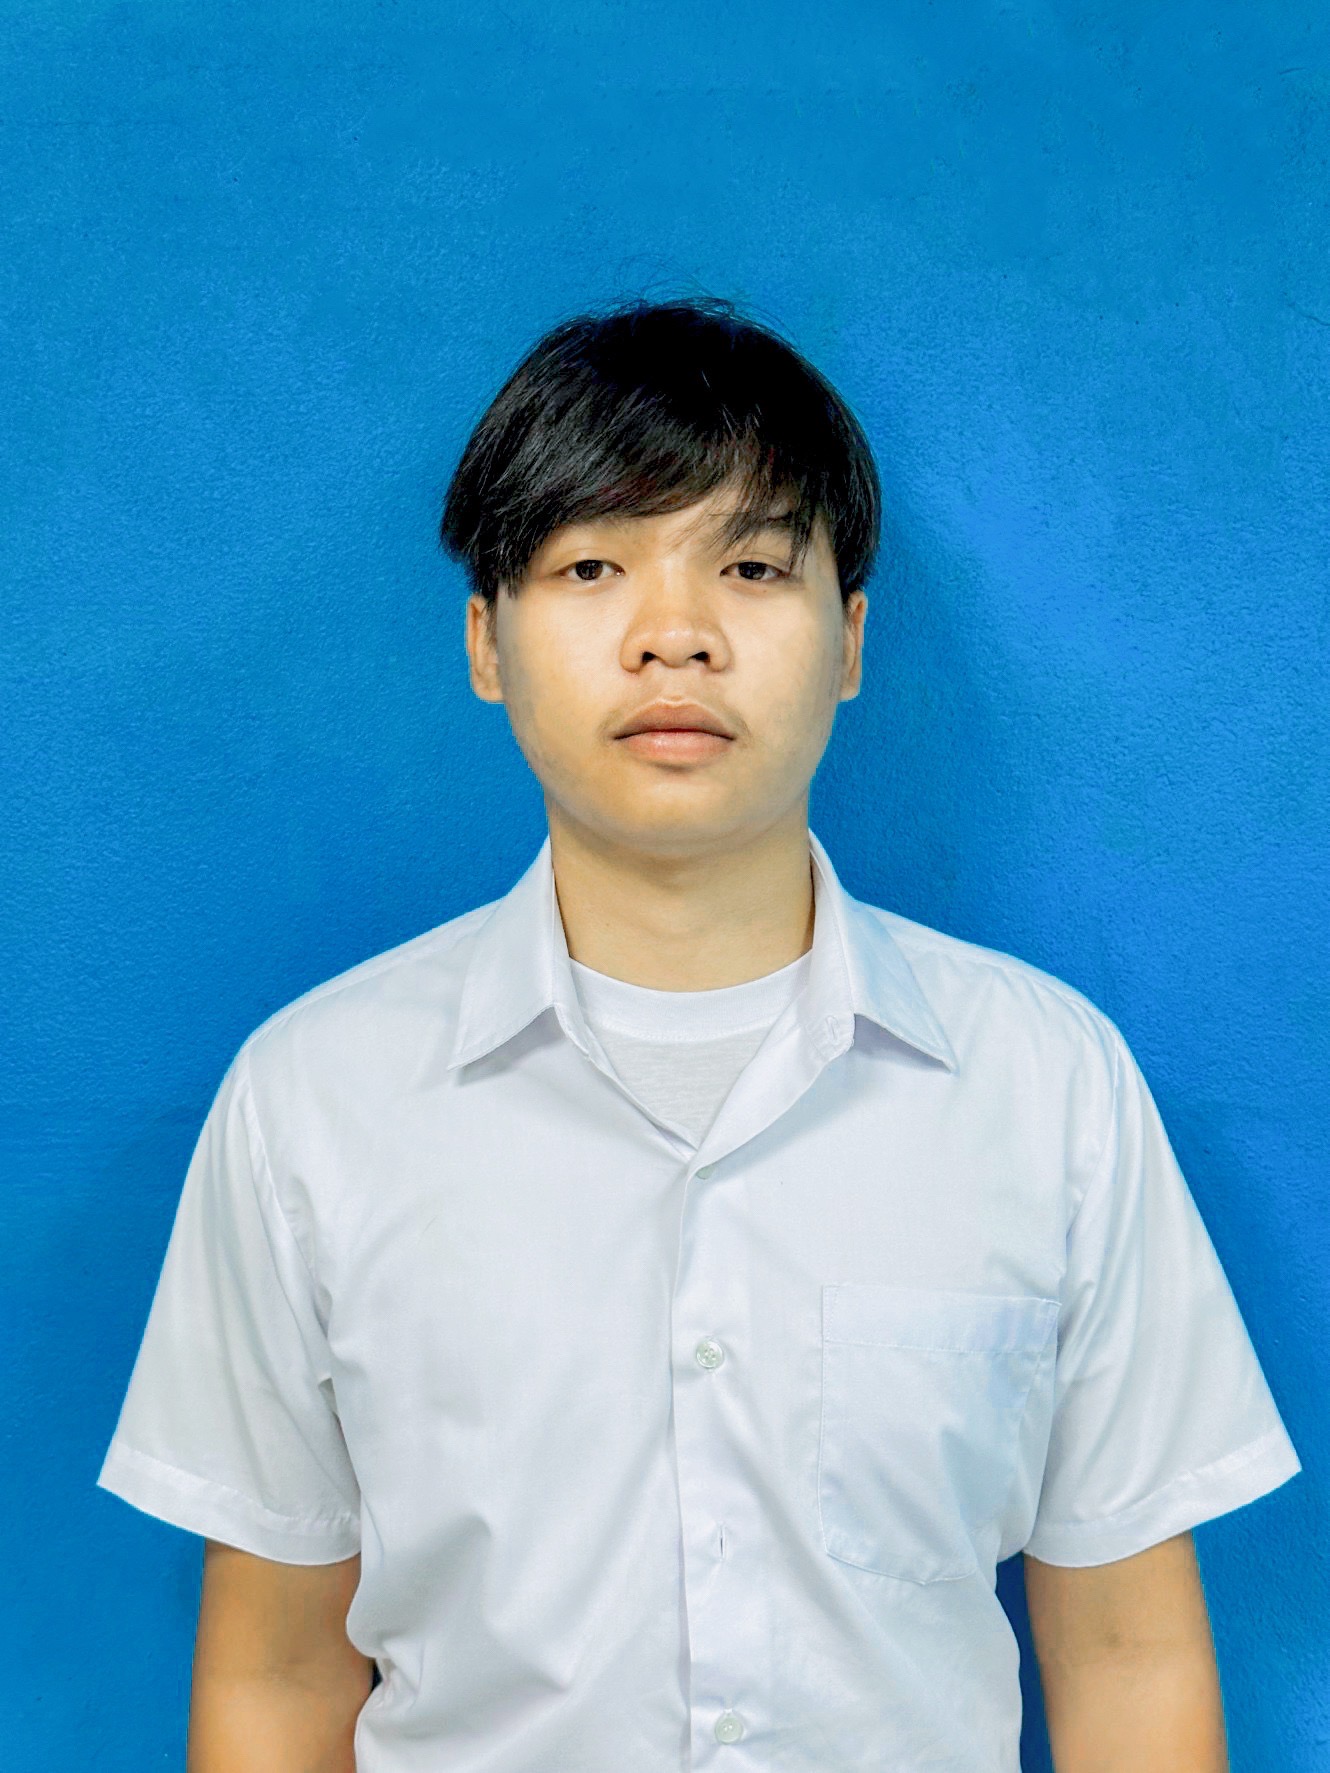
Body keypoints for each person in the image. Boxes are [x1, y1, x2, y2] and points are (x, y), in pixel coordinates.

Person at [97, 295, 1301, 1772]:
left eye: (751, 566)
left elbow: (1125, 1655)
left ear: (849, 640)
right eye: (591, 566)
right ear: (486, 640)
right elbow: (281, 1676)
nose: (674, 635)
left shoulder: (1048, 1087)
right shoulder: (314, 1100)